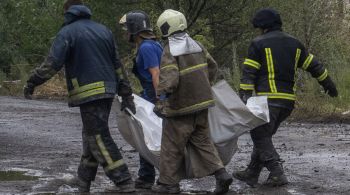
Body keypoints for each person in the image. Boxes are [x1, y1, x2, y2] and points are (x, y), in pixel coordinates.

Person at [23, 0, 136, 193]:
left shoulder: (67, 32)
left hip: (88, 92)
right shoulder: (103, 30)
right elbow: (117, 64)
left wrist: (33, 81)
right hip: (107, 91)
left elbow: (52, 63)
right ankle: (84, 180)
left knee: (98, 136)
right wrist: (126, 93)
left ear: (67, 12)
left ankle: (123, 180)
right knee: (91, 134)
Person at [233, 8, 338, 187]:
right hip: (287, 102)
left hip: (267, 100)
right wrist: (329, 85)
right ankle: (252, 172)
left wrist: (244, 97)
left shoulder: (258, 43)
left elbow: (249, 73)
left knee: (259, 135)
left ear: (263, 26)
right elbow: (315, 66)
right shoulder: (295, 43)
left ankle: (276, 172)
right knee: (263, 135)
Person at [152, 9, 233, 194]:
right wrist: (204, 86)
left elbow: (169, 79)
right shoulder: (197, 45)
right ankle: (221, 174)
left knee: (172, 146)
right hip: (202, 105)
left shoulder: (170, 49)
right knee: (203, 141)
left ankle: (168, 184)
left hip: (180, 108)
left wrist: (161, 100)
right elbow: (213, 67)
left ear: (165, 28)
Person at [119, 10, 163, 189]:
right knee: (149, 136)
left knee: (146, 137)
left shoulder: (146, 47)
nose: (125, 33)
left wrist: (159, 98)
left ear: (134, 29)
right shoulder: (154, 44)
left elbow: (156, 73)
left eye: (126, 29)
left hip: (153, 96)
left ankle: (147, 177)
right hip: (151, 95)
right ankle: (148, 176)